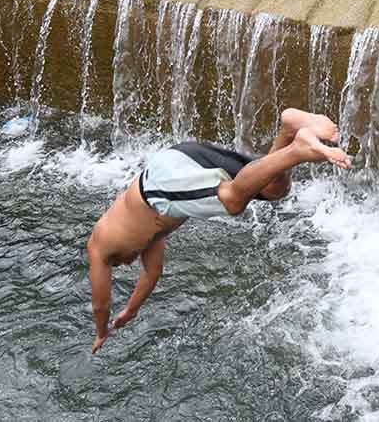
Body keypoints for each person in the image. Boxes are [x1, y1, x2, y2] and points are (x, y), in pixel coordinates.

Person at [85, 109, 351, 353]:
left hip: (158, 186)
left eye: (121, 264)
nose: (125, 264)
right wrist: (131, 311)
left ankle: (299, 149)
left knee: (233, 201)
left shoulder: (99, 248)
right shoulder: (149, 237)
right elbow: (152, 274)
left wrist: (101, 332)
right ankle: (290, 128)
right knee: (273, 189)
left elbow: (100, 304)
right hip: (177, 157)